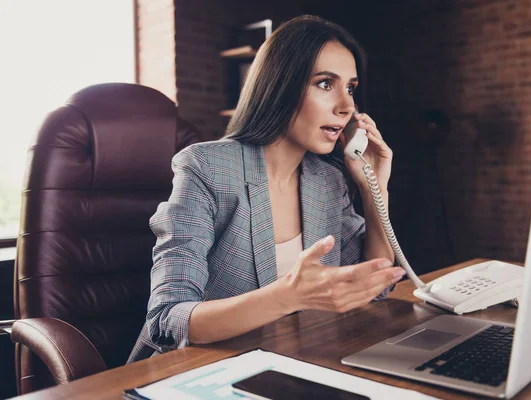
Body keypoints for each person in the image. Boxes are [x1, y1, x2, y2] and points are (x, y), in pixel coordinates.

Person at [128, 14, 406, 363]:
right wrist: (290, 295)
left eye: (350, 87)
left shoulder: (328, 181)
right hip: (197, 371)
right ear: (280, 85)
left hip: (289, 362)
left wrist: (374, 189)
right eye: (324, 83)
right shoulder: (205, 168)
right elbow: (166, 321)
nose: (346, 106)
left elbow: (372, 286)